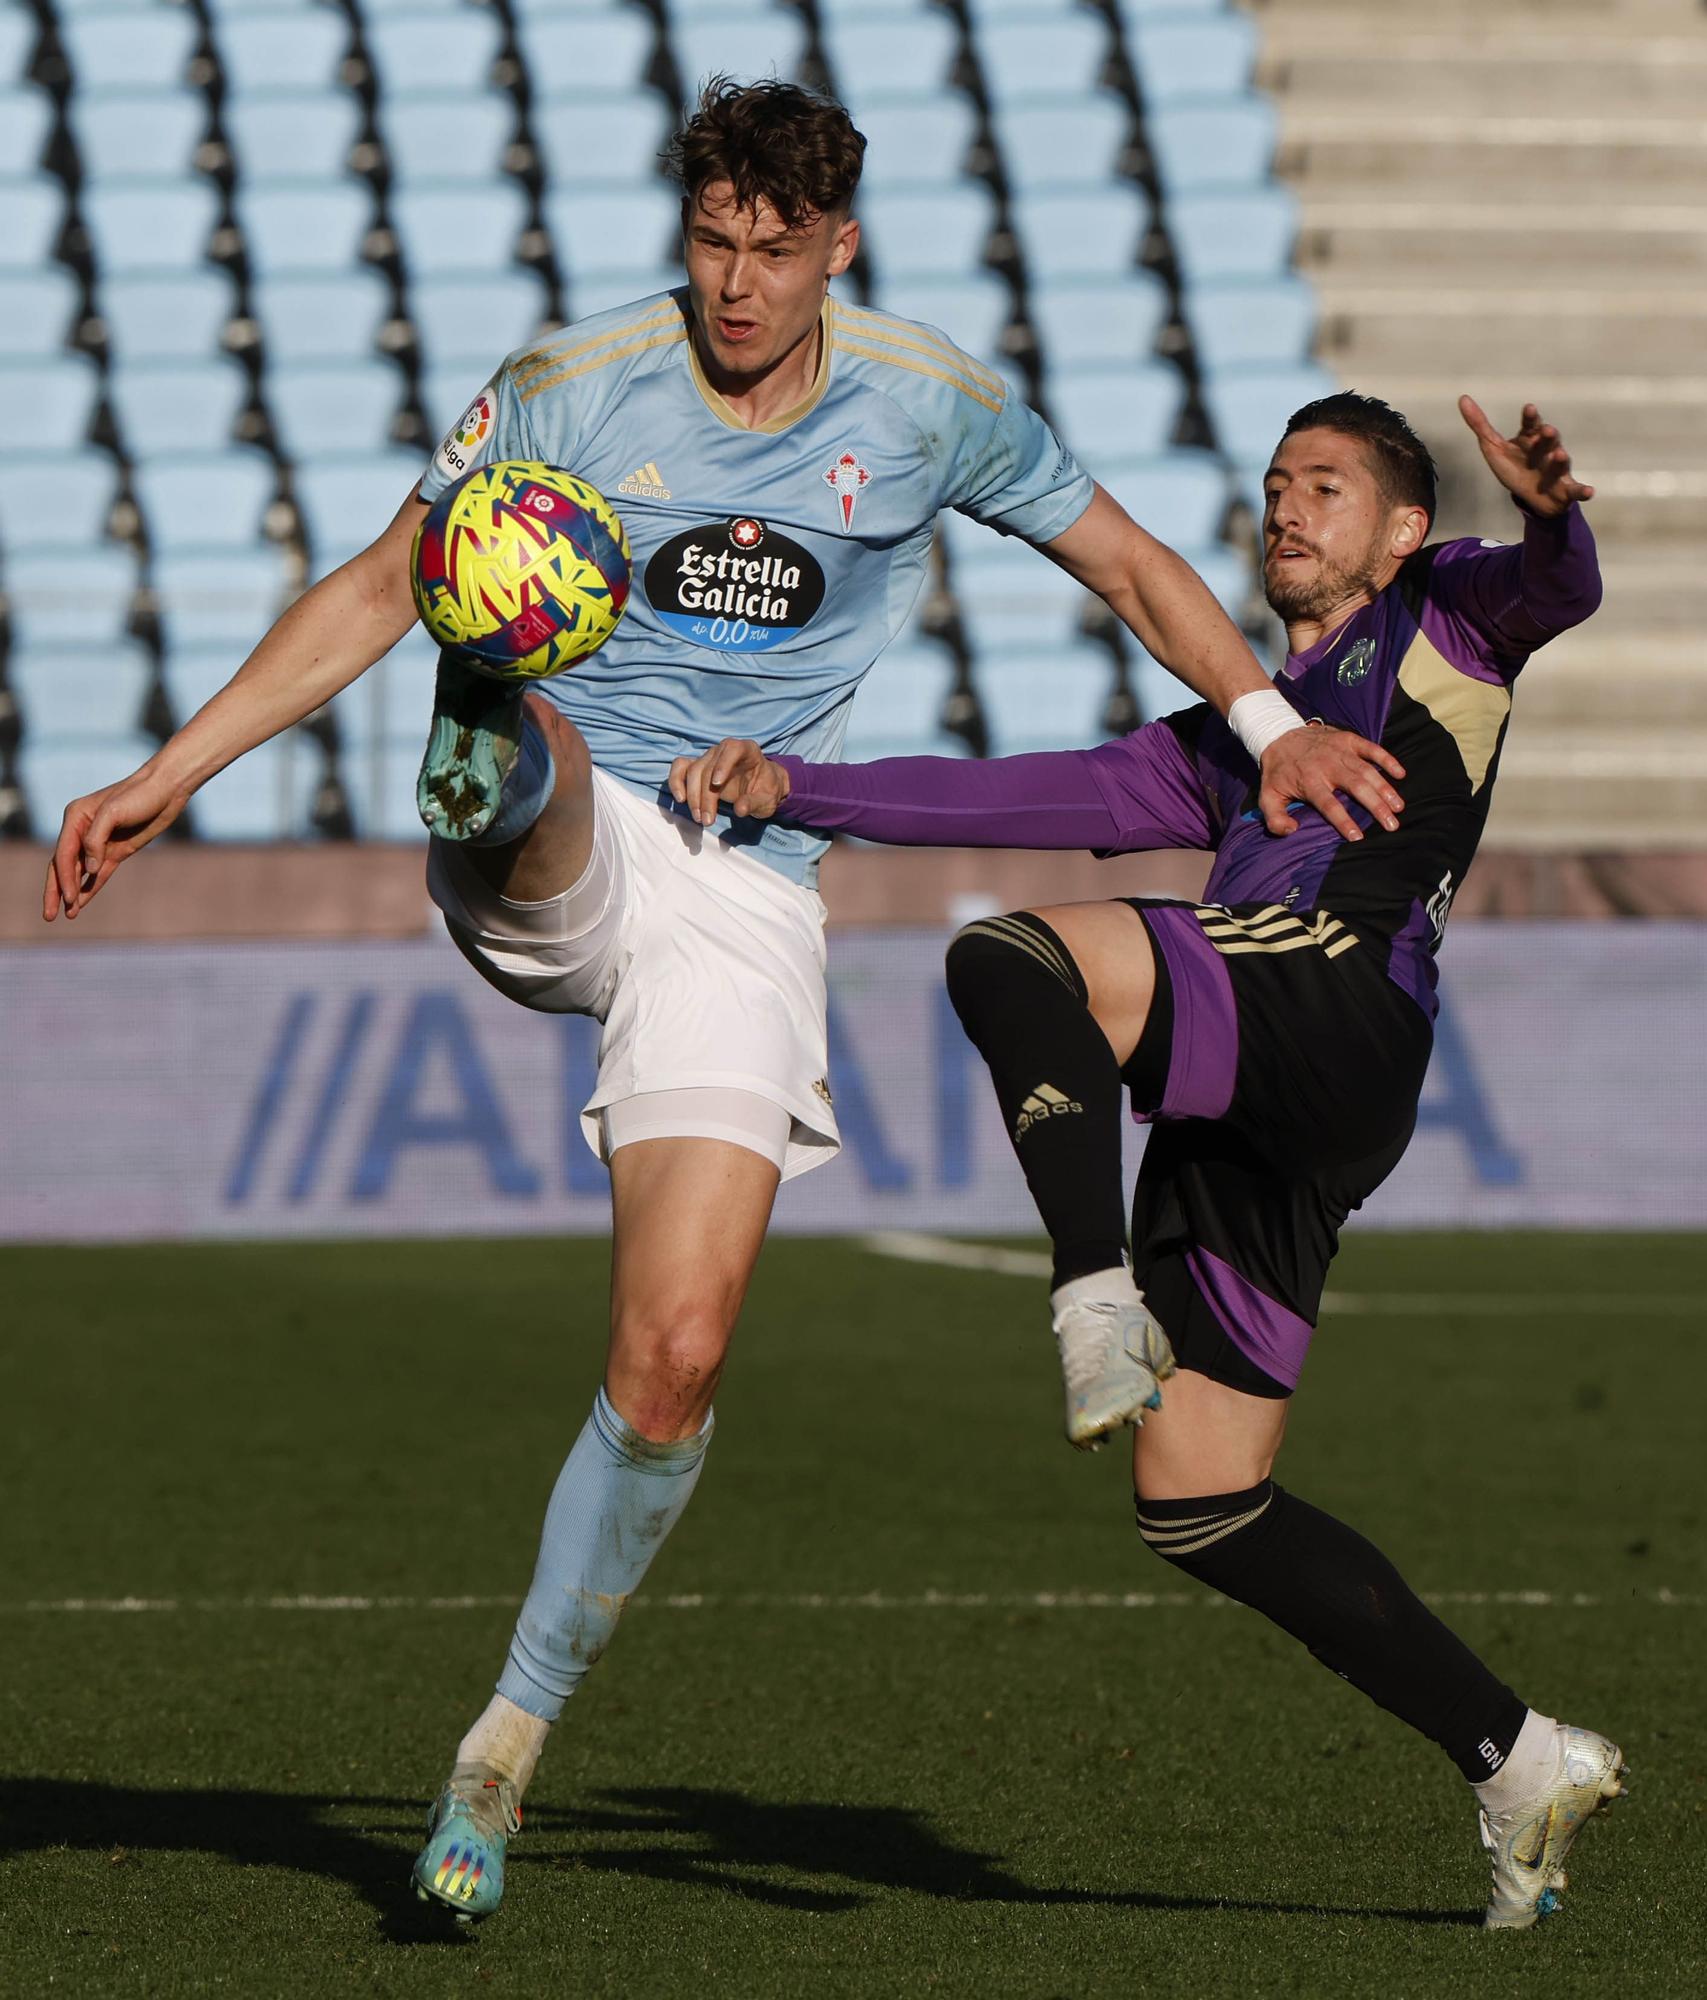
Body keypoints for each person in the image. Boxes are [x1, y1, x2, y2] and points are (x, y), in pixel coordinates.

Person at [43, 84, 1402, 1924]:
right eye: (712, 240)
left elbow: (1140, 570)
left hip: (745, 892)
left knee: (675, 1360)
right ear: (683, 230)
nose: (737, 282)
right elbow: (373, 576)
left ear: (837, 246)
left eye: (775, 248)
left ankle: (496, 1759)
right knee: (498, 650)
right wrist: (168, 771)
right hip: (578, 831)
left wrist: (1271, 725)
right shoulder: (574, 385)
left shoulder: (925, 404)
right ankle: (495, 728)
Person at [669, 392, 1624, 1931]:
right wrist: (800, 790)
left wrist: (1548, 515)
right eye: (1272, 486)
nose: (1287, 509)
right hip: (1284, 1087)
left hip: (1334, 987)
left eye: (1326, 486)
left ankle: (1090, 1289)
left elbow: (1554, 589)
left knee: (1012, 960)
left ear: (1396, 526)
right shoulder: (1239, 738)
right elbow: (1025, 791)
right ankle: (1518, 1757)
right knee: (1203, 1498)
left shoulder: (1446, 614)